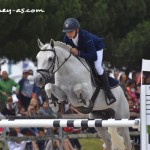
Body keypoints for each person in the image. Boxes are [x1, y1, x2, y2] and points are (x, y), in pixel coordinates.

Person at [62, 18, 116, 105]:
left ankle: (109, 93)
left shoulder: (85, 36)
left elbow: (93, 56)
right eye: (67, 32)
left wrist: (78, 52)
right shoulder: (66, 38)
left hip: (96, 48)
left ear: (77, 30)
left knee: (97, 67)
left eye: (70, 31)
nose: (68, 34)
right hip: (82, 49)